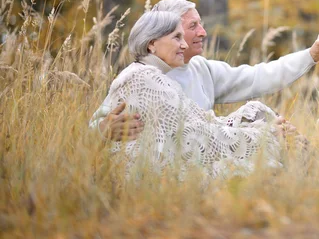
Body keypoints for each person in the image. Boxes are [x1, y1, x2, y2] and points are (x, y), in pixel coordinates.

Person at [90, 0, 319, 141]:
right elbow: (94, 129)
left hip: (206, 157)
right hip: (174, 173)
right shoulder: (138, 77)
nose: (202, 32)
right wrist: (103, 130)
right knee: (266, 127)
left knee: (263, 117)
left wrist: (311, 55)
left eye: (201, 24)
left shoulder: (201, 69)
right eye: (192, 26)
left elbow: (258, 77)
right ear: (159, 36)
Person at [107, 11, 286, 177]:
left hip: (161, 168)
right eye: (177, 38)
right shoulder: (144, 79)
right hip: (152, 177)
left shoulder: (148, 75)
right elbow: (197, 137)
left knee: (257, 113)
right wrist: (264, 135)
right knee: (260, 163)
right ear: (152, 43)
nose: (184, 45)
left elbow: (200, 121)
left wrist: (257, 126)